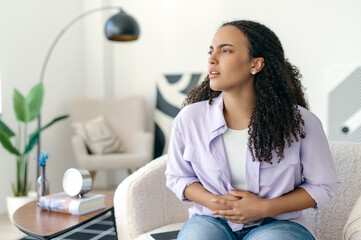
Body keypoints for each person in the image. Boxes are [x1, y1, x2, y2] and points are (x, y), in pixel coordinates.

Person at [165, 20, 341, 240]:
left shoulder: (302, 123)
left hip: (278, 224)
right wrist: (213, 202)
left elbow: (322, 186)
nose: (212, 59)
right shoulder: (189, 118)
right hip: (211, 220)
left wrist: (264, 208)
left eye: (226, 50)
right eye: (211, 51)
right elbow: (178, 176)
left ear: (255, 64)